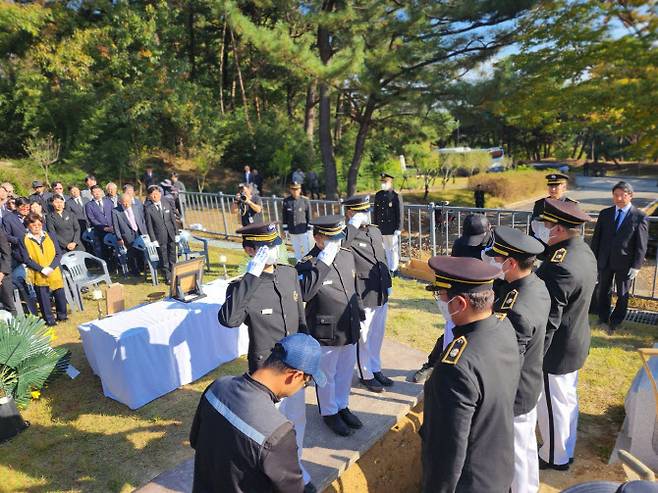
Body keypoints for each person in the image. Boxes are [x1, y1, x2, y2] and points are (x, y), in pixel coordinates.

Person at [218, 222, 315, 492]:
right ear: (250, 250)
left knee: (297, 421)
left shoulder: (288, 273)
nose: (273, 250)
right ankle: (269, 477)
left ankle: (296, 467)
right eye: (264, 246)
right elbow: (229, 320)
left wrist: (309, 359)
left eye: (274, 244)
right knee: (269, 432)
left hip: (295, 370)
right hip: (267, 374)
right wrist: (251, 275)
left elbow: (301, 320)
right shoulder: (242, 287)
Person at [421, 255, 520, 492]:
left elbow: (448, 450)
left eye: (441, 295)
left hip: (469, 482)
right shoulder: (503, 327)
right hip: (498, 467)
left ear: (460, 304)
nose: (439, 301)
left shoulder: (455, 367)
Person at [191, 333, 325, 493]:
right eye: (305, 383)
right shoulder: (278, 432)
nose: (301, 388)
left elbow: (195, 440)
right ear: (295, 376)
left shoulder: (217, 387)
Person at [483, 226, 551, 493]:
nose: (492, 262)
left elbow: (506, 360)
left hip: (515, 392)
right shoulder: (536, 285)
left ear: (511, 263)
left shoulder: (516, 310)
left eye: (496, 259)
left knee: (515, 453)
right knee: (524, 447)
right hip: (530, 381)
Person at [534, 198, 597, 471]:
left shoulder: (559, 265)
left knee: (552, 404)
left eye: (547, 226)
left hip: (557, 347)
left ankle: (555, 456)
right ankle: (564, 447)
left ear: (558, 230)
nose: (543, 230)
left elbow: (549, 318)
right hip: (575, 338)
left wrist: (535, 353)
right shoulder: (582, 251)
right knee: (566, 399)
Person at [296, 215, 364, 437]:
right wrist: (324, 260)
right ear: (318, 238)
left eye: (338, 237)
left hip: (348, 325)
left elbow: (354, 287)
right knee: (326, 374)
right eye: (331, 238)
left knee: (345, 371)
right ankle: (329, 412)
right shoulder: (308, 263)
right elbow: (305, 293)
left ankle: (342, 405)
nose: (337, 242)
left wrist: (359, 312)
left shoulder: (345, 255)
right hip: (326, 330)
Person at [412, 213, 492, 384]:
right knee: (452, 331)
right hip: (462, 298)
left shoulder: (494, 244)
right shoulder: (461, 244)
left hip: (485, 298)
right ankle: (434, 364)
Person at [342, 195, 393, 393]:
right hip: (362, 293)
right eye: (360, 211)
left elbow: (382, 257)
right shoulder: (347, 234)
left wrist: (387, 282)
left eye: (366, 210)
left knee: (377, 335)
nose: (365, 215)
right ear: (350, 213)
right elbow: (340, 245)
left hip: (379, 290)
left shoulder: (374, 231)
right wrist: (352, 225)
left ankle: (375, 368)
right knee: (363, 336)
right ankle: (365, 374)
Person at [590, 181, 649, 333]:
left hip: (626, 262)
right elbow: (596, 239)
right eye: (616, 195)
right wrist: (593, 259)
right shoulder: (605, 213)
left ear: (630, 196)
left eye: (622, 195)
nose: (619, 198)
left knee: (622, 294)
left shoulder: (639, 217)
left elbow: (641, 244)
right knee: (603, 291)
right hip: (605, 260)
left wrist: (636, 265)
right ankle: (603, 318)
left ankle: (616, 321)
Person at [19, 213, 68, 326]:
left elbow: (58, 254)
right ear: (28, 226)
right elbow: (26, 259)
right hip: (38, 272)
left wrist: (51, 267)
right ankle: (49, 320)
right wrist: (41, 269)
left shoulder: (50, 235)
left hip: (53, 269)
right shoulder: (24, 239)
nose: (37, 226)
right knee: (43, 297)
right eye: (33, 224)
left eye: (39, 224)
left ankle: (62, 316)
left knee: (59, 293)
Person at [2, 197, 39, 316]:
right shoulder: (8, 219)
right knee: (26, 282)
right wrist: (21, 241)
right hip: (19, 254)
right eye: (23, 208)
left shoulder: (32, 215)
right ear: (17, 207)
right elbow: (6, 236)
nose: (26, 210)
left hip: (36, 251)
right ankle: (32, 309)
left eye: (27, 207)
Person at [144, 185, 178, 284]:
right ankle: (167, 276)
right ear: (149, 196)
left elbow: (172, 219)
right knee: (164, 256)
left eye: (157, 194)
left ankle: (175, 272)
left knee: (172, 253)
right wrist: (153, 239)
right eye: (152, 195)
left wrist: (176, 232)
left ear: (160, 194)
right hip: (159, 236)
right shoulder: (148, 208)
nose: (155, 196)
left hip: (170, 233)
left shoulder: (166, 203)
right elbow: (149, 225)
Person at [530, 173, 578, 241]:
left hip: (562, 245)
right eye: (551, 186)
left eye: (556, 186)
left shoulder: (571, 205)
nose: (553, 189)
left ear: (564, 188)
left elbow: (575, 229)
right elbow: (533, 226)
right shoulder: (540, 204)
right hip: (541, 244)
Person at [373, 173, 404, 276]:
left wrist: (399, 227)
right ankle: (388, 267)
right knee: (386, 248)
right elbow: (376, 212)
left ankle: (394, 269)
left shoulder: (395, 195)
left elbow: (400, 213)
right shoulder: (379, 195)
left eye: (385, 182)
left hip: (392, 227)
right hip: (381, 227)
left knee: (393, 249)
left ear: (390, 182)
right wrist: (375, 225)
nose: (383, 184)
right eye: (382, 182)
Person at [112, 194, 148, 276]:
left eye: (128, 202)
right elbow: (116, 226)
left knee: (141, 251)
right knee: (132, 253)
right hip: (127, 235)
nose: (126, 204)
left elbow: (142, 220)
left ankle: (142, 267)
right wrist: (119, 238)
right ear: (120, 202)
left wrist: (145, 233)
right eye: (124, 202)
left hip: (139, 232)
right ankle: (135, 271)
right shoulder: (115, 211)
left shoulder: (136, 207)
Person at [282, 182, 312, 261]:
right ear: (290, 190)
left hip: (303, 229)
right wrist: (285, 230)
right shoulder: (286, 201)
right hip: (292, 230)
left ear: (300, 190)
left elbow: (309, 216)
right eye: (293, 189)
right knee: (296, 249)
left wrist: (309, 229)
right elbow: (285, 217)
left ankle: (307, 263)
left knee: (306, 249)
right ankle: (298, 263)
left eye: (297, 189)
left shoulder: (305, 200)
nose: (295, 191)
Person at [84, 184, 114, 259]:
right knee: (102, 250)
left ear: (101, 192)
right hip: (99, 231)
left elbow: (114, 214)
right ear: (91, 193)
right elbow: (92, 219)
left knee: (113, 249)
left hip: (112, 228)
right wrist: (104, 228)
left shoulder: (109, 201)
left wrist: (113, 226)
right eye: (94, 192)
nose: (97, 193)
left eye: (98, 191)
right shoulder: (89, 205)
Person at [0, 227, 16, 316]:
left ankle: (13, 329)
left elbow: (6, 252)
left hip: (2, 273)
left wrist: (2, 273)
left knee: (9, 305)